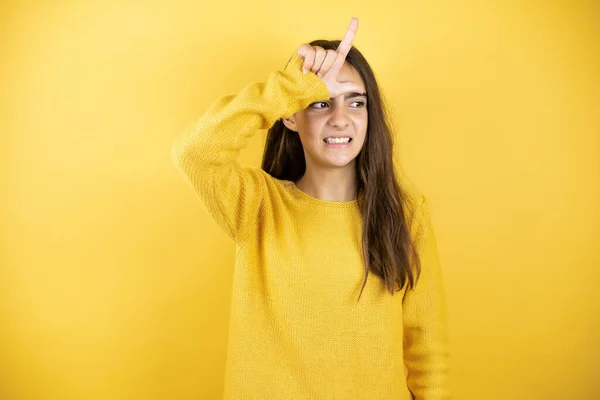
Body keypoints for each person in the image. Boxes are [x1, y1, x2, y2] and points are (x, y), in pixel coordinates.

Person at [171, 17, 451, 400]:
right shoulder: (257, 205)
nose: (341, 119)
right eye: (320, 103)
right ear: (290, 114)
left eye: (356, 102)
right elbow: (195, 153)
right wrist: (292, 86)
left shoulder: (406, 214)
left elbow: (427, 355)